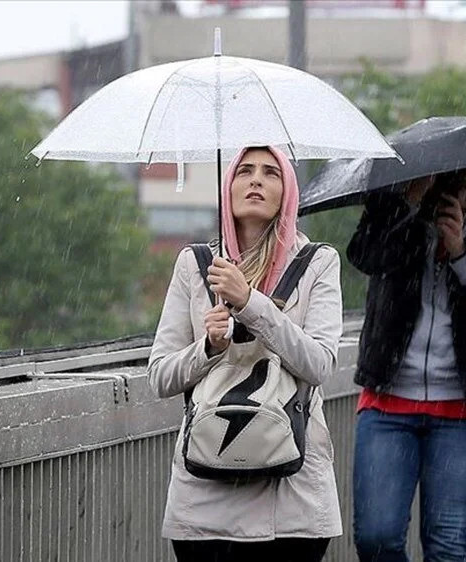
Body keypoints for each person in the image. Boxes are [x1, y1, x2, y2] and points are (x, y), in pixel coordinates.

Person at [148, 146, 343, 561]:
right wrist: (208, 348)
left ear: (287, 191)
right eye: (245, 171)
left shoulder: (318, 263)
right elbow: (160, 376)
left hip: (291, 493)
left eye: (271, 173)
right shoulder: (196, 264)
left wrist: (250, 302)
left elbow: (319, 364)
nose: (256, 180)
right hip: (206, 489)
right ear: (228, 186)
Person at [347, 168, 466, 562]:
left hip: (463, 406)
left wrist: (462, 253)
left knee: (447, 542)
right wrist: (408, 205)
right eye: (455, 183)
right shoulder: (394, 211)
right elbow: (364, 255)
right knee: (376, 537)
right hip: (389, 399)